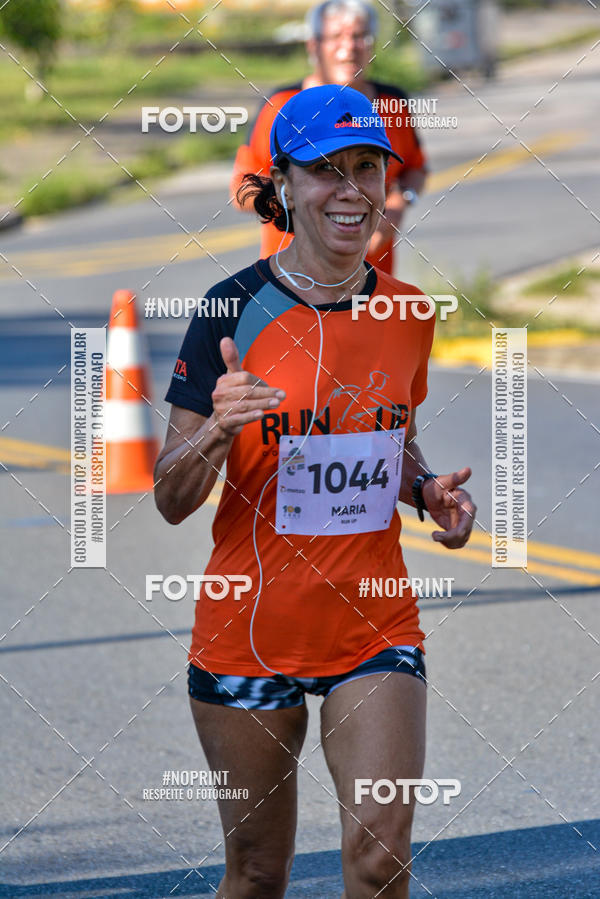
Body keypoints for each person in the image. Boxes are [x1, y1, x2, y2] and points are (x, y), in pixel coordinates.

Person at [155, 84, 475, 899]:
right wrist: (218, 427)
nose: (351, 190)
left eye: (366, 168)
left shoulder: (408, 312)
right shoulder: (230, 308)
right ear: (285, 184)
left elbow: (391, 439)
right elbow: (170, 493)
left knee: (380, 856)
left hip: (373, 623)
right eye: (326, 171)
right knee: (259, 873)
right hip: (248, 625)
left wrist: (427, 489)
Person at [231, 0, 428, 275]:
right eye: (336, 37)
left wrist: (395, 207)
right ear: (313, 45)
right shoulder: (280, 106)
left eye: (359, 36)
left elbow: (415, 168)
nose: (349, 48)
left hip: (372, 284)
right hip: (292, 285)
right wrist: (308, 211)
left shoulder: (392, 104)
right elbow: (240, 190)